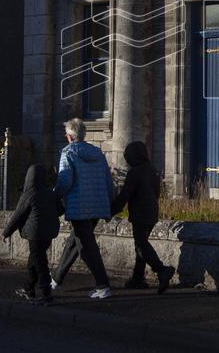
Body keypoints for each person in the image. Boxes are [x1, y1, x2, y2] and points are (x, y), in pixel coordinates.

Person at [54, 118, 115, 299]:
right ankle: (56, 279)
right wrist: (108, 203)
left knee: (87, 248)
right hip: (97, 206)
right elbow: (107, 181)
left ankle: (103, 285)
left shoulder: (68, 153)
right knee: (75, 243)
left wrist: (53, 195)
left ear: (71, 137)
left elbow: (65, 181)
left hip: (78, 207)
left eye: (66, 135)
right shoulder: (98, 152)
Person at [110, 140, 175, 294]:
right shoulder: (152, 169)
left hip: (140, 213)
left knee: (141, 245)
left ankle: (162, 270)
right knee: (141, 244)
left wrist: (110, 211)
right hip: (152, 212)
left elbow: (125, 195)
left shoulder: (135, 172)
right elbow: (157, 193)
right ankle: (137, 279)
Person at [2, 164, 60, 306]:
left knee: (40, 264)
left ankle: (46, 294)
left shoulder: (29, 194)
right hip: (49, 232)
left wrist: (6, 232)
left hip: (36, 233)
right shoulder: (50, 193)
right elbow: (60, 210)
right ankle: (28, 288)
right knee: (34, 261)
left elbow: (18, 216)